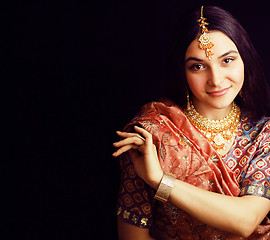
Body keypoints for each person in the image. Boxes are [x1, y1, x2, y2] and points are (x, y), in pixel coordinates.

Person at [112, 5, 270, 239]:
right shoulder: (152, 134)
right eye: (198, 66)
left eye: (227, 60)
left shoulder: (263, 134)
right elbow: (133, 234)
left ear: (244, 60)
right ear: (182, 72)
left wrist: (161, 181)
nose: (215, 80)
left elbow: (246, 220)